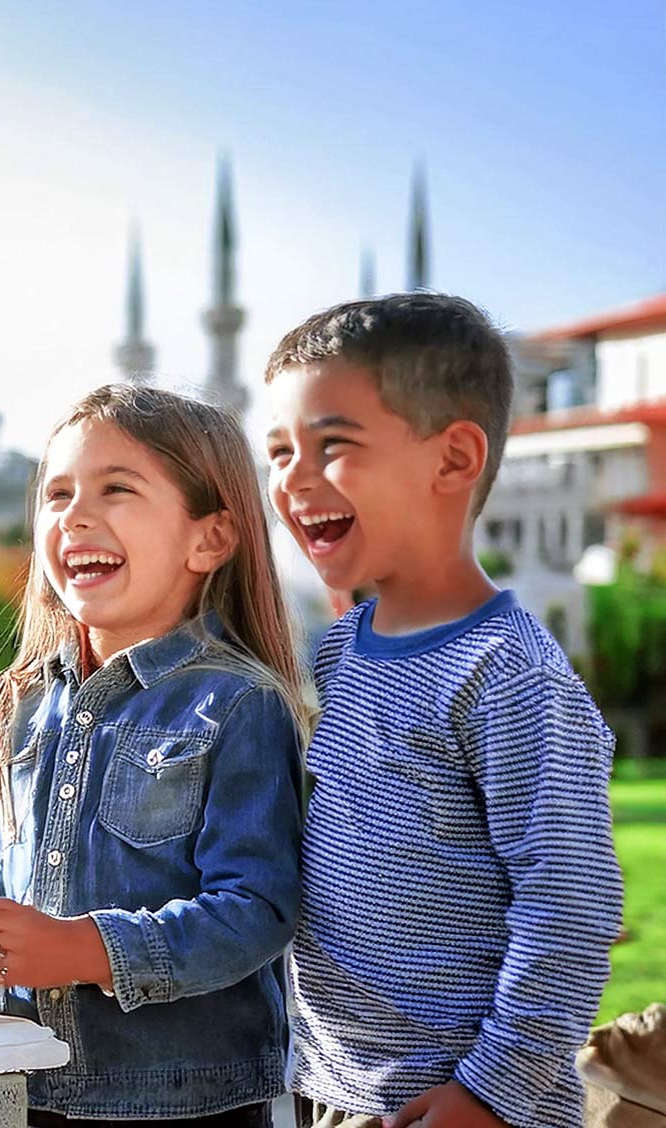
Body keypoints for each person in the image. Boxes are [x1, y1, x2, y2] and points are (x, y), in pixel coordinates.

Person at [261, 294, 625, 1128]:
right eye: (279, 451)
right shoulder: (343, 647)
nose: (291, 479)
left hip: (460, 1103)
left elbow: (570, 898)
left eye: (332, 445)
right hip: (335, 1086)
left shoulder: (508, 676)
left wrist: (491, 1091)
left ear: (455, 457)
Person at [0, 383, 308, 1126]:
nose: (75, 515)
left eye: (117, 489)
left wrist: (84, 950)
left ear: (210, 540)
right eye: (57, 493)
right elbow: (16, 873)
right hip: (34, 1086)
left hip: (186, 1105)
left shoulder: (235, 705)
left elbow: (256, 911)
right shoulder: (28, 703)